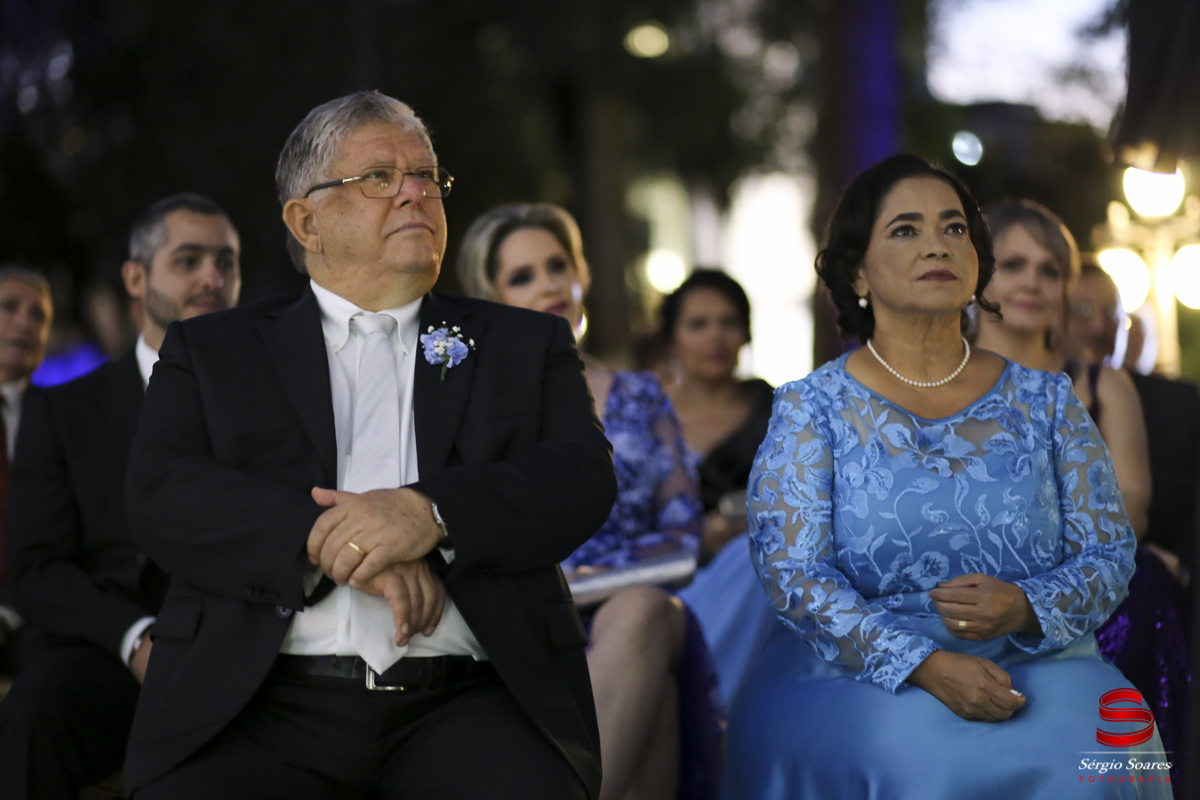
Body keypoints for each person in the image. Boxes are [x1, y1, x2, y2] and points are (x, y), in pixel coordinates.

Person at [123, 92, 616, 799]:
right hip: (254, 706)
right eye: (380, 177)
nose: (416, 192)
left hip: (474, 702)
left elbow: (579, 478)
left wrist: (429, 516)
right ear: (307, 220)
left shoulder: (524, 341)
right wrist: (348, 542)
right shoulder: (213, 349)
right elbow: (161, 491)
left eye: (427, 176)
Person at [722, 155, 1170, 799]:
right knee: (922, 766)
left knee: (1115, 745)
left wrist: (1026, 605)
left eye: (954, 228)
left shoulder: (1047, 401)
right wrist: (923, 664)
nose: (937, 243)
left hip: (1038, 659)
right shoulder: (811, 407)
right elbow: (794, 577)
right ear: (857, 271)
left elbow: (1108, 552)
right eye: (905, 229)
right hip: (859, 669)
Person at [457, 202, 714, 800]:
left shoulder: (639, 395)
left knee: (643, 610)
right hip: (524, 622)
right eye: (522, 276)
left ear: (581, 277)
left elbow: (683, 536)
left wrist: (587, 580)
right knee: (657, 701)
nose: (548, 283)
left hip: (634, 602)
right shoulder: (471, 411)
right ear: (490, 297)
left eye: (557, 265)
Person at [0, 194, 241, 799]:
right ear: (136, 278)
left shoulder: (278, 403)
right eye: (188, 260)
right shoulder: (62, 410)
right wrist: (134, 636)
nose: (212, 276)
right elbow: (35, 566)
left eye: (227, 263)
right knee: (36, 714)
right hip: (105, 646)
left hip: (239, 647)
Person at [653, 270, 778, 710]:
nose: (716, 336)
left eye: (728, 322)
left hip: (760, 585)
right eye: (698, 324)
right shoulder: (644, 416)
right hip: (666, 584)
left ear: (745, 333)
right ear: (672, 339)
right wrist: (694, 537)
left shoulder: (778, 409)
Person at [0, 265, 54, 669]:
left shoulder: (68, 421)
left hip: (42, 615)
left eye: (38, 315)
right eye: (10, 307)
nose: (24, 322)